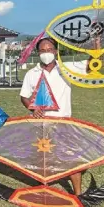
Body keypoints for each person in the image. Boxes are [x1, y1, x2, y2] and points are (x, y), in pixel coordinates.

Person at [20, 37, 90, 195]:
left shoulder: (67, 68)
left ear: (56, 51)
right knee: (42, 158)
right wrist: (33, 108)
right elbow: (24, 96)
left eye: (49, 50)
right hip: (42, 124)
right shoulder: (31, 74)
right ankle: (43, 189)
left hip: (64, 121)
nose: (46, 53)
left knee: (70, 157)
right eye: (42, 51)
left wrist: (97, 47)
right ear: (38, 53)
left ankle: (78, 193)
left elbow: (91, 66)